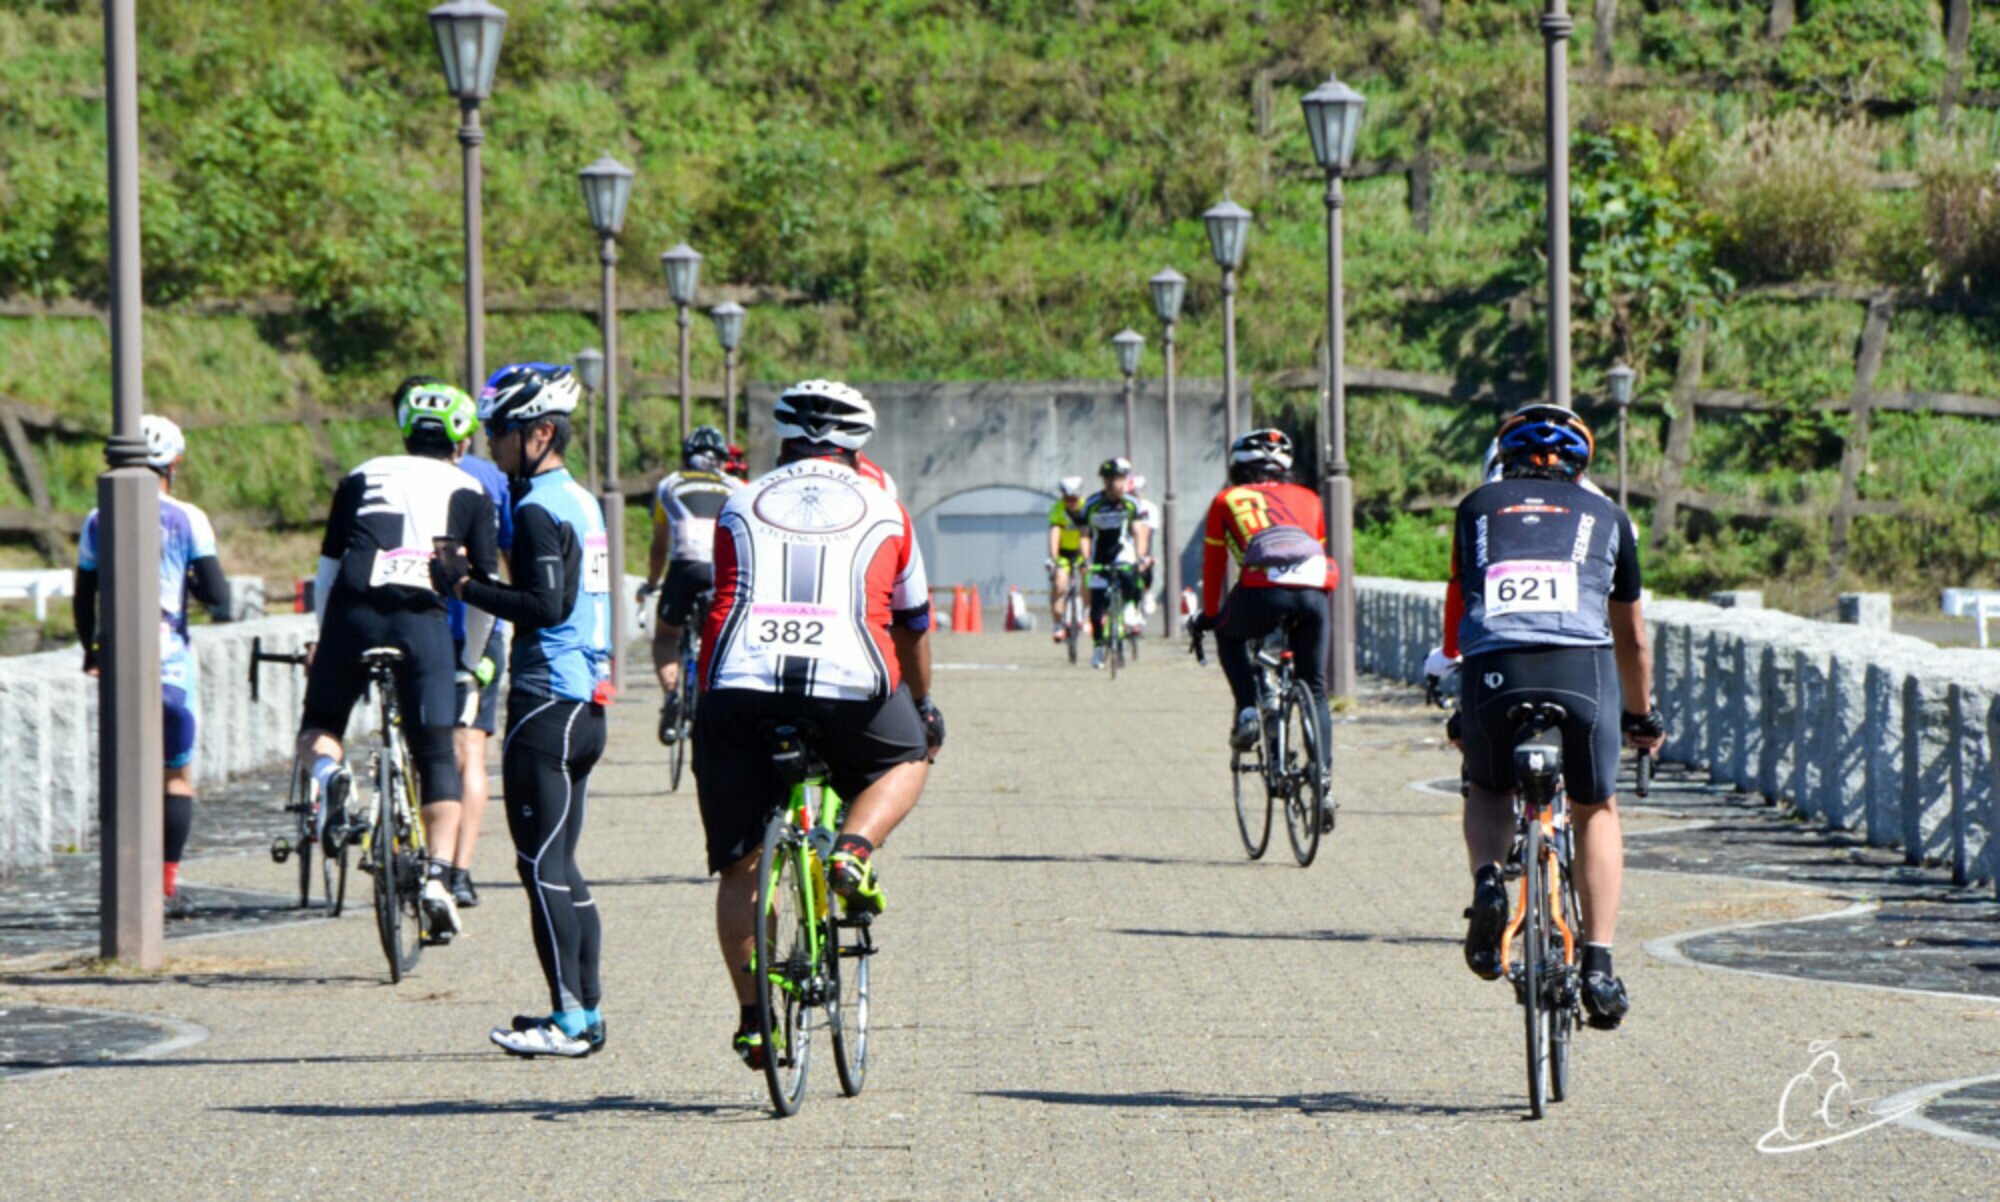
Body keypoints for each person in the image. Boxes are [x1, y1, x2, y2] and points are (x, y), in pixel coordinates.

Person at [693, 379, 944, 1069]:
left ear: (782, 437)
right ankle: (855, 850)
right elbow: (913, 621)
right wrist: (922, 705)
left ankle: (754, 1022)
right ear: (858, 443)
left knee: (741, 867)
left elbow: (722, 592)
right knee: (908, 755)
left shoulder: (738, 501)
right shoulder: (887, 508)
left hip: (737, 686)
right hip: (848, 683)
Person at [1439, 403, 1665, 1031]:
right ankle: (1597, 962)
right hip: (1579, 674)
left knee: (1488, 788)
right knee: (1595, 808)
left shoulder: (1476, 509)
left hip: (1494, 668)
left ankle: (1488, 883)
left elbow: (1462, 603)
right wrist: (1642, 716)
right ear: (1580, 464)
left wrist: (1456, 689)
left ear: (1503, 458)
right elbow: (1633, 639)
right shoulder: (1610, 516)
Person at [433, 362, 613, 1059]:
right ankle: (585, 1013)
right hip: (585, 705)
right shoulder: (581, 501)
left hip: (547, 703)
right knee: (562, 865)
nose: (491, 444)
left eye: (501, 432)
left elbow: (545, 607)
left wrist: (465, 584)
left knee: (541, 868)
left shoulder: (539, 509)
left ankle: (569, 1021)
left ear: (540, 432)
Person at [298, 381, 497, 945]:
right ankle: (436, 876)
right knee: (436, 752)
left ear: (406, 432)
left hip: (353, 613)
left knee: (321, 727)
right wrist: (470, 661)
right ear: (460, 441)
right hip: (422, 623)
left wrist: (328, 638)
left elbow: (328, 571)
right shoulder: (470, 488)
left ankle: (330, 778)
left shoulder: (361, 475)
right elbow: (479, 590)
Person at [73, 415, 228, 919]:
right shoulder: (189, 519)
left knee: (120, 772)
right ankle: (165, 885)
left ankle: (119, 886)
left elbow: (84, 598)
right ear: (172, 465)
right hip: (170, 663)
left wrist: (91, 650)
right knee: (176, 776)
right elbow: (219, 598)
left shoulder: (99, 518)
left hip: (119, 661)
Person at [1185, 429, 1338, 830]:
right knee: (1316, 688)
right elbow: (1318, 553)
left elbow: (1215, 565)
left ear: (1237, 466)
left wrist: (1210, 615)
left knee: (1229, 633)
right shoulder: (1310, 498)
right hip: (1313, 597)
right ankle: (1323, 780)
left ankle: (1250, 707)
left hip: (1260, 593)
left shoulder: (1225, 500)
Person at [642, 425, 741, 744]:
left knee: (666, 637)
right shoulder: (737, 487)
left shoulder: (668, 485)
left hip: (685, 567)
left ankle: (672, 696)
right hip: (723, 571)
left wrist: (652, 583)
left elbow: (659, 546)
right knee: (727, 638)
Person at [1077, 457, 1151, 670]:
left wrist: (1141, 556)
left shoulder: (1131, 503)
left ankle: (1129, 607)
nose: (1115, 484)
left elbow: (1138, 531)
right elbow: (1085, 535)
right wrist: (1085, 560)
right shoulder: (1092, 504)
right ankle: (1098, 647)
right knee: (1097, 607)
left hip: (1122, 551)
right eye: (1110, 480)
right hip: (1099, 556)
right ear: (1104, 481)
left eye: (1119, 479)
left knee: (1130, 574)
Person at [1045, 475, 1089, 641]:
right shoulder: (1057, 509)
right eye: (1067, 499)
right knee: (1060, 584)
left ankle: (1085, 613)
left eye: (1074, 499)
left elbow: (1086, 534)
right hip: (1063, 552)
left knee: (1088, 577)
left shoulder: (1087, 507)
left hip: (1081, 550)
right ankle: (1058, 623)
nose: (1071, 502)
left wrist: (1086, 559)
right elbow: (1054, 534)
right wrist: (1053, 559)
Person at [1127, 471, 1162, 622]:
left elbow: (1146, 534)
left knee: (1145, 564)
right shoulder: (1123, 507)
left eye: (1135, 494)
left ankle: (1147, 591)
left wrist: (1142, 557)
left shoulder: (1149, 508)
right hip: (1124, 543)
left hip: (1141, 542)